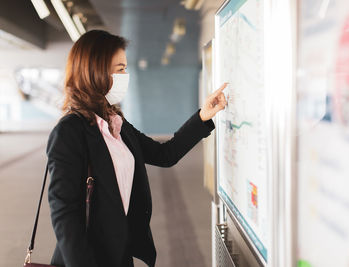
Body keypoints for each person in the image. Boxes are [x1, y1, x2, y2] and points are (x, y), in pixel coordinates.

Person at [46, 30, 227, 267]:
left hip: (119, 255)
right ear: (96, 71)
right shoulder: (70, 131)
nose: (125, 75)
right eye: (120, 68)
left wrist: (203, 117)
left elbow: (165, 154)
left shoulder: (116, 123)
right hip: (87, 259)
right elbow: (64, 215)